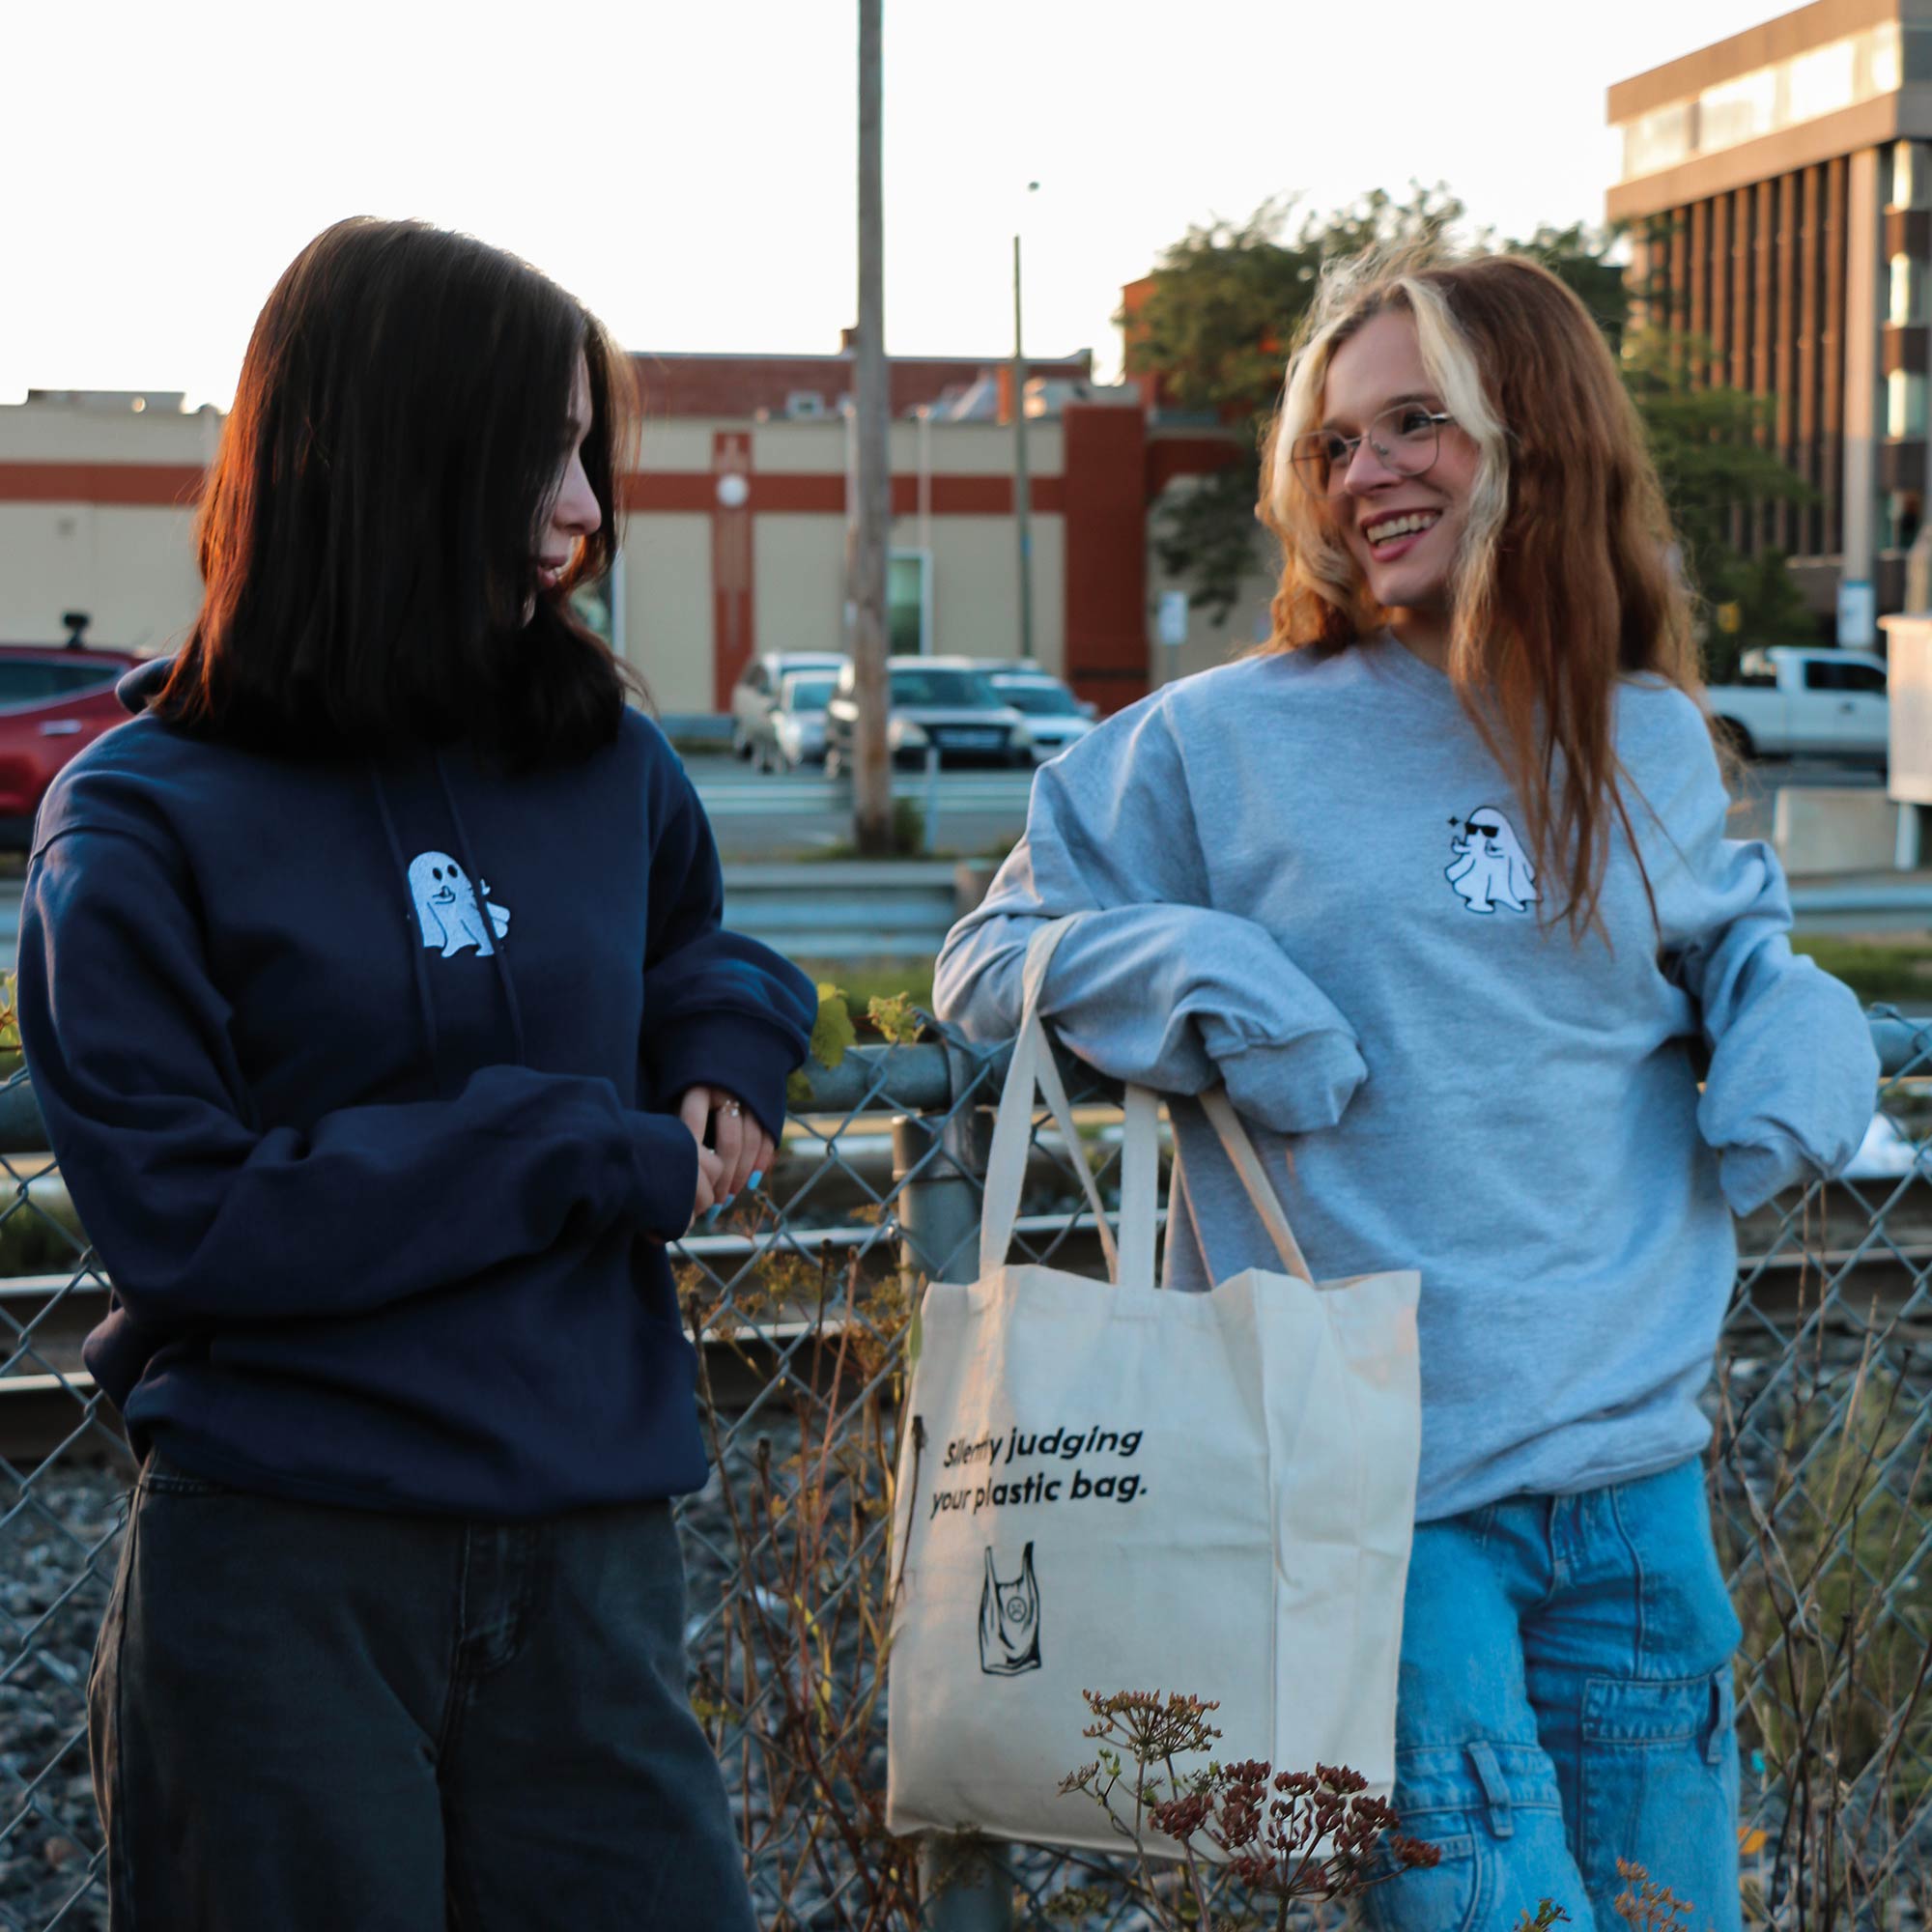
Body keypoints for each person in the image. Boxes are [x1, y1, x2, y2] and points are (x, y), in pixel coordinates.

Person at [933, 250, 1878, 1925]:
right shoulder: (1217, 742)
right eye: (1336, 442)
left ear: (1539, 436)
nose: (1366, 475)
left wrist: (1782, 1001)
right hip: (1382, 1504)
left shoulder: (1641, 731)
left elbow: (1722, 924)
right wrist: (1200, 974)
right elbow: (991, 956)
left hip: (1639, 1486)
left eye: (1416, 424)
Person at [16, 216, 815, 1931]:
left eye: (593, 452)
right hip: (286, 1567)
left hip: (591, 1546)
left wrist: (736, 1036)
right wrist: (575, 1150)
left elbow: (696, 942)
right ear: (389, 455)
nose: (588, 506)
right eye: (546, 449)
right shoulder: (143, 815)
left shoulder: (602, 756)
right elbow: (186, 1222)